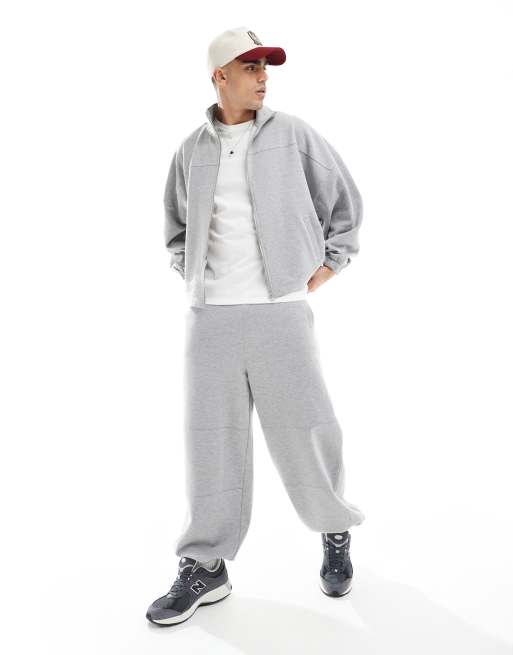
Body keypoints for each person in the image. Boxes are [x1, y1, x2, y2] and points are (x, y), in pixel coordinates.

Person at [146, 26, 365, 626]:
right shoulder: (191, 149)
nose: (263, 76)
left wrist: (331, 261)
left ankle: (334, 529)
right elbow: (175, 226)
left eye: (266, 67)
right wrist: (191, 271)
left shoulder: (293, 135)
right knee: (210, 441)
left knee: (306, 428)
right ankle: (206, 566)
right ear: (220, 76)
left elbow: (344, 203)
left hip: (279, 311)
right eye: (251, 67)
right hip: (210, 317)